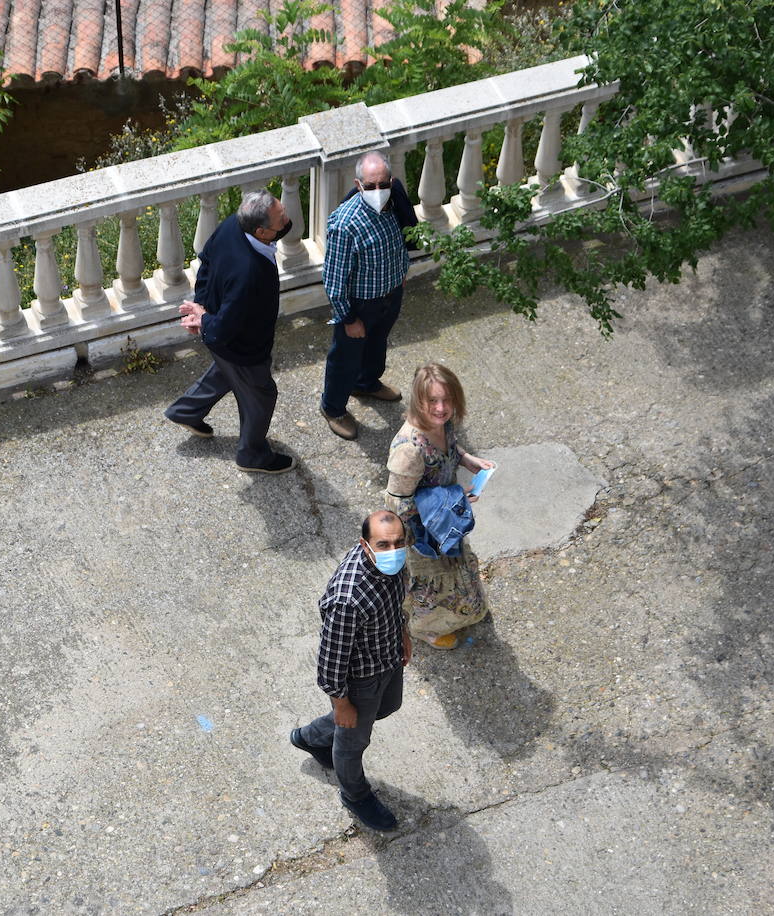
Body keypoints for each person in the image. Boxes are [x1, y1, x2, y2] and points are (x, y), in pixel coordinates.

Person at [290, 510, 412, 832]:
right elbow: (331, 659)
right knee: (351, 742)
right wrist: (341, 704)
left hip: (388, 658)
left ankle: (310, 737)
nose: (393, 551)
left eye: (399, 542)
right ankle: (355, 795)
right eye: (383, 544)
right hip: (360, 679)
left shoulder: (395, 566)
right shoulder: (348, 598)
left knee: (387, 707)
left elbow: (396, 604)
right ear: (365, 544)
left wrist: (403, 632)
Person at [166, 189, 295, 474]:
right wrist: (204, 321)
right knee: (261, 394)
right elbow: (226, 327)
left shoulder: (233, 224)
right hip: (240, 345)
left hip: (221, 331)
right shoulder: (250, 273)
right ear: (261, 231)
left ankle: (185, 411)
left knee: (226, 373)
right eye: (281, 217)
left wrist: (201, 305)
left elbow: (206, 261)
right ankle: (252, 455)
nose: (287, 218)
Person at [384, 364, 495, 649]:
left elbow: (449, 448)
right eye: (432, 401)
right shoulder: (408, 450)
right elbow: (396, 504)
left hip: (445, 523)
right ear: (418, 400)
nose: (441, 408)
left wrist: (467, 459)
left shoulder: (442, 423)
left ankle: (462, 610)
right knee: (431, 587)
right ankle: (425, 630)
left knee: (459, 572)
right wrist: (452, 500)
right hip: (421, 536)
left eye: (447, 399)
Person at [319, 151, 413, 441]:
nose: (377, 191)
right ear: (358, 185)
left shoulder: (393, 204)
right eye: (370, 186)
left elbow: (401, 243)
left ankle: (367, 383)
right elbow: (334, 281)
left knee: (377, 345)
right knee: (345, 357)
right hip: (360, 305)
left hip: (389, 294)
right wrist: (348, 318)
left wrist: (401, 275)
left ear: (391, 182)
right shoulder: (345, 225)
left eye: (382, 184)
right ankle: (333, 407)